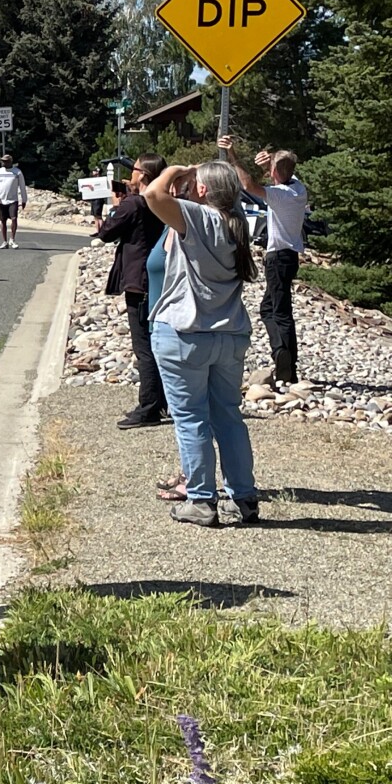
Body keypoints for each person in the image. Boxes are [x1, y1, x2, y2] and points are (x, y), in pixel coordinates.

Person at [143, 161, 260, 527]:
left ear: (204, 191)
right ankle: (244, 497)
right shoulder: (238, 223)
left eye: (194, 183)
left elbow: (152, 194)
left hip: (185, 331)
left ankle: (202, 500)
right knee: (229, 417)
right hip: (230, 332)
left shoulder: (197, 217)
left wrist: (173, 170)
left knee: (191, 419)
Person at [224, 135, 307, 384]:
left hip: (278, 256)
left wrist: (233, 156)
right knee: (272, 307)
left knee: (277, 310)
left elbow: (248, 186)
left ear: (274, 172)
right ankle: (286, 361)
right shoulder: (298, 188)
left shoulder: (281, 194)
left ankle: (283, 356)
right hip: (290, 255)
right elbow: (281, 173)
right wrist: (268, 165)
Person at [97, 154, 168, 429]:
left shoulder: (134, 204)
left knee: (144, 348)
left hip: (139, 282)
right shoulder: (157, 200)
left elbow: (106, 233)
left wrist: (118, 204)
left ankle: (149, 407)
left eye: (135, 169)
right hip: (155, 278)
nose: (132, 173)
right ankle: (160, 401)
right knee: (155, 343)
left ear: (145, 175)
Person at [0, 153, 27, 248]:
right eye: (2, 161)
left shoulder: (17, 172)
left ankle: (12, 239)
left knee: (14, 218)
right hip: (1, 200)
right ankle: (4, 241)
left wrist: (24, 199)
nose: (3, 163)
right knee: (3, 221)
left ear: (10, 162)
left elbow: (22, 186)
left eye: (5, 161)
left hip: (13, 200)